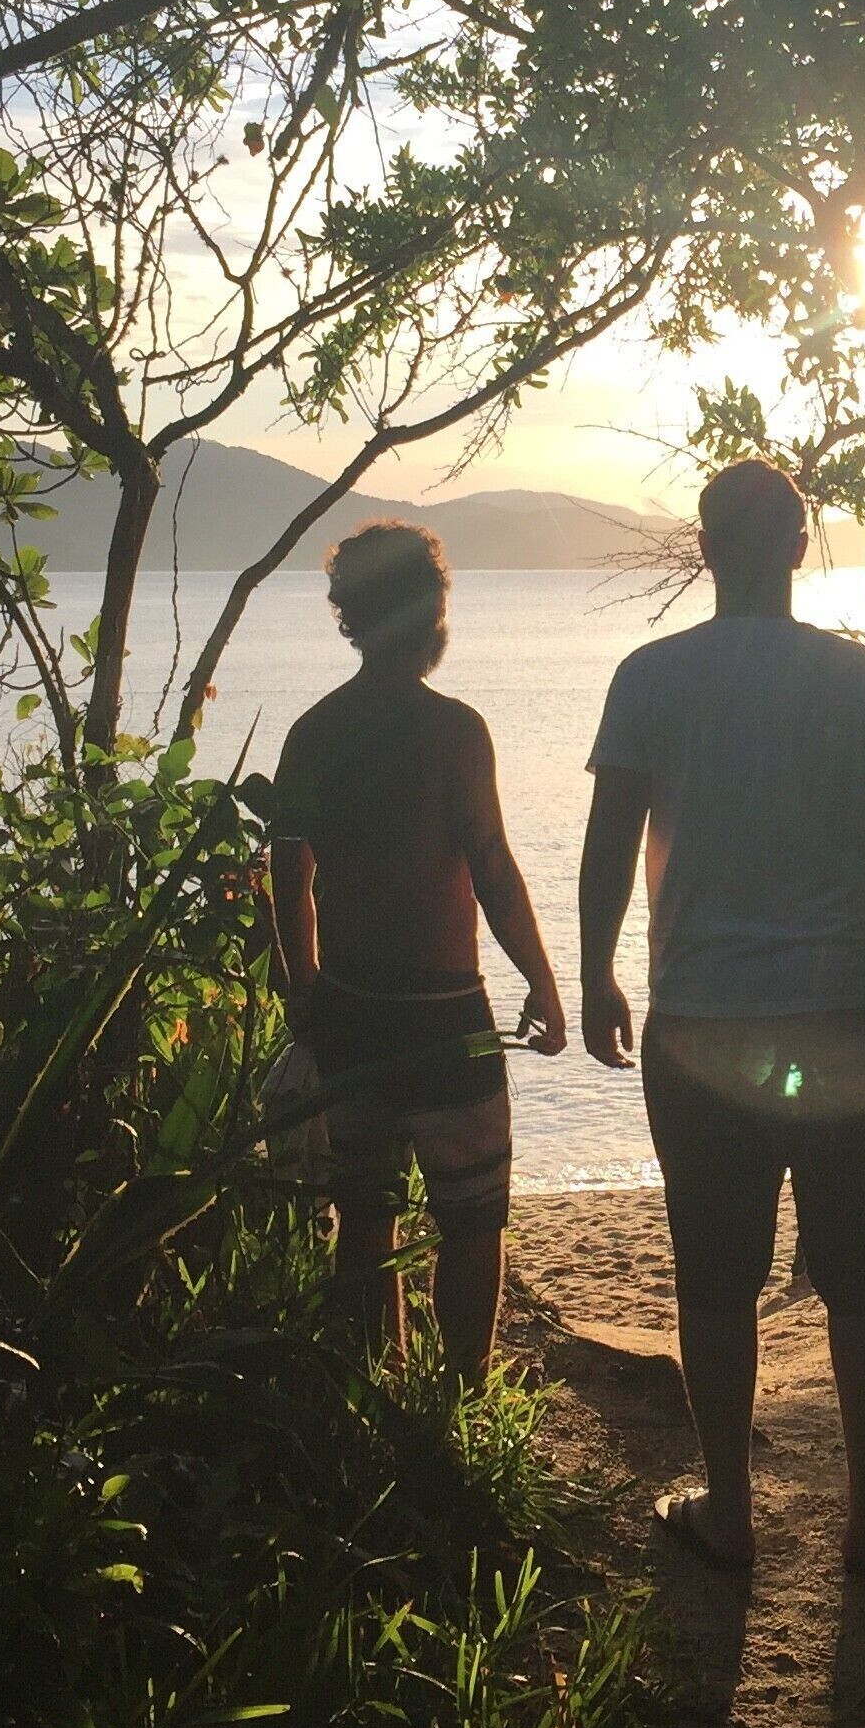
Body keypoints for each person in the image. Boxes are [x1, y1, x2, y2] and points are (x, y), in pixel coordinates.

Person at [579, 459, 865, 1577]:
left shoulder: (649, 677)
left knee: (714, 1271)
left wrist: (595, 975)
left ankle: (729, 1511)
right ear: (797, 545)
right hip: (849, 1015)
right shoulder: (861, 680)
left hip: (704, 1024)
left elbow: (608, 845)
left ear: (704, 549)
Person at [269, 520, 566, 1377]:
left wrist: (304, 987)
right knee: (472, 1220)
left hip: (351, 1009)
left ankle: (378, 1394)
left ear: (350, 614)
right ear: (431, 610)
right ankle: (458, 1396)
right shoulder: (456, 732)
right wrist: (544, 983)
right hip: (445, 1016)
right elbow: (492, 866)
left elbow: (289, 872)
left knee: (367, 1218)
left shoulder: (313, 732)